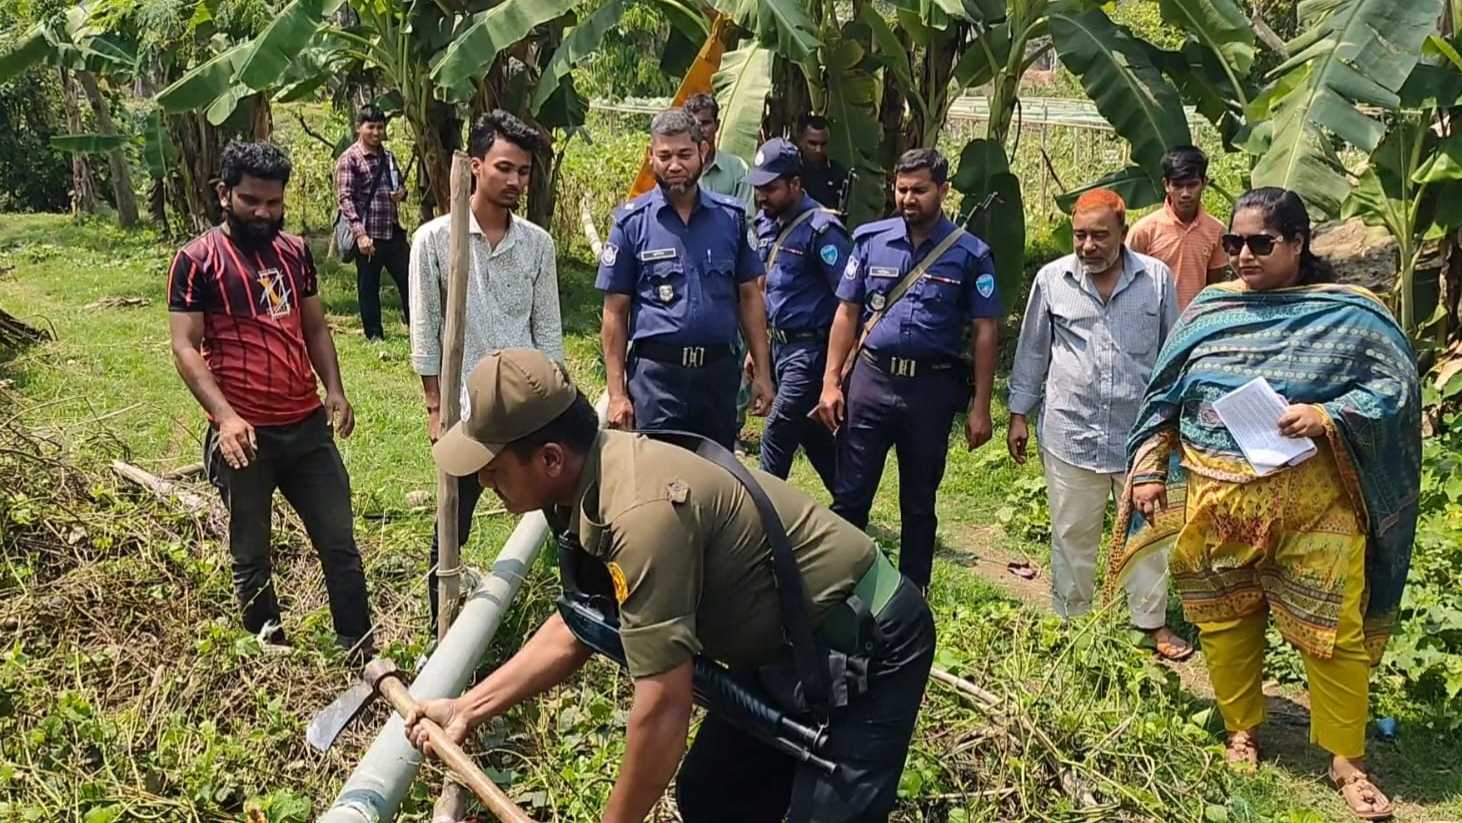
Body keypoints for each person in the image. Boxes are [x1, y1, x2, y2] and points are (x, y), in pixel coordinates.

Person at [404, 348, 936, 823]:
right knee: (713, 796)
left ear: (549, 458)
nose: (483, 482)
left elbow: (662, 710)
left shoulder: (640, 514)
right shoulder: (584, 489)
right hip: (789, 646)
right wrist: (467, 708)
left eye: (493, 469)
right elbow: (583, 626)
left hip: (865, 641)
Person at [1112, 188, 1420, 820]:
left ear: (1299, 243)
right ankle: (1242, 729)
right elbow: (1164, 396)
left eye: (1260, 244)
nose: (1244, 256)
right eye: (1235, 244)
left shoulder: (1351, 315)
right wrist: (1147, 468)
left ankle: (1346, 761)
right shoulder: (1211, 312)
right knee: (1225, 625)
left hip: (1319, 512)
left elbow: (1395, 391)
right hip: (1217, 509)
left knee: (1334, 635)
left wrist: (1330, 414)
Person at [168, 141, 372, 654]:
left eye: (273, 204)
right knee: (251, 551)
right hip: (245, 436)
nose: (263, 214)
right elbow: (185, 346)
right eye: (251, 201)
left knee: (340, 544)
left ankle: (359, 644)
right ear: (223, 194)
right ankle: (269, 647)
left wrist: (336, 390)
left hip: (306, 428)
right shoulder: (196, 261)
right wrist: (225, 418)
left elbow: (315, 328)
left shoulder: (295, 252)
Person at [1006, 188, 1192, 660]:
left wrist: (1177, 422)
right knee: (1072, 533)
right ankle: (1071, 625)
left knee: (1148, 534)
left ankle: (1148, 625)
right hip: (1072, 432)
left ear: (1123, 233)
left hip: (1140, 437)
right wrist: (1018, 414)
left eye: (1099, 236)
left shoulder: (1156, 280)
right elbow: (1032, 350)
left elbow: (1174, 352)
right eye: (1080, 235)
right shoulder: (1053, 280)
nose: (1087, 246)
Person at [814, 148, 1001, 592]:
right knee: (851, 493)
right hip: (872, 383)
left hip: (930, 391)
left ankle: (912, 594)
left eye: (920, 190)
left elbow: (986, 331)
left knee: (919, 502)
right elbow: (846, 312)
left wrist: (981, 406)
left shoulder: (970, 254)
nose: (908, 198)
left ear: (943, 190)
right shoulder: (871, 240)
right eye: (902, 189)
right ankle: (839, 585)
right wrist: (830, 381)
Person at [409, 109, 564, 629]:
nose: (516, 181)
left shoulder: (538, 245)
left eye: (524, 171)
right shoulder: (434, 241)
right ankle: (442, 625)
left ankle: (573, 611)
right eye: (504, 168)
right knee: (453, 517)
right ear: (475, 167)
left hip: (527, 409)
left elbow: (549, 335)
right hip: (467, 414)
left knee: (560, 513)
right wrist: (436, 411)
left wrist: (557, 407)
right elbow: (426, 336)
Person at [597, 108, 773, 450]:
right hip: (656, 379)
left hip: (717, 376)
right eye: (664, 156)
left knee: (718, 482)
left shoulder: (731, 219)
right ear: (651, 157)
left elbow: (750, 298)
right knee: (659, 484)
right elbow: (615, 312)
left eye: (684, 155)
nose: (674, 165)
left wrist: (763, 374)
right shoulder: (631, 224)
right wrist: (617, 393)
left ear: (703, 154)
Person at [744, 137, 849, 491]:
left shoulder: (823, 230)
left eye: (770, 188)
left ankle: (762, 516)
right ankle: (850, 504)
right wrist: (755, 351)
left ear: (794, 184)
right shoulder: (766, 223)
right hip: (778, 347)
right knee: (811, 432)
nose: (762, 196)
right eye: (758, 188)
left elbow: (848, 301)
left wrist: (837, 372)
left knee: (777, 429)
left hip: (810, 350)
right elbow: (762, 288)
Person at [335, 105, 411, 340]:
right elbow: (345, 199)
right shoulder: (350, 159)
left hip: (392, 231)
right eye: (371, 127)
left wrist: (401, 193)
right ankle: (374, 335)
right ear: (359, 128)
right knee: (369, 286)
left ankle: (418, 330)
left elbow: (400, 186)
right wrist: (360, 234)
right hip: (368, 233)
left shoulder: (388, 157)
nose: (376, 132)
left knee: (410, 281)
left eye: (380, 127)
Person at [1127, 145, 1228, 310]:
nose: (1185, 193)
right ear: (1166, 185)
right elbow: (1128, 280)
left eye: (1192, 185)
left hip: (1195, 325)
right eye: (1178, 185)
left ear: (1204, 183)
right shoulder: (1145, 231)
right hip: (1153, 323)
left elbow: (1214, 286)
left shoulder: (1216, 231)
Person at [684, 92, 752, 207]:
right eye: (694, 124)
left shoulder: (738, 168)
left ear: (717, 125)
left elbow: (745, 216)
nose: (700, 129)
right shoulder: (680, 170)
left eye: (705, 123)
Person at [796, 115, 849, 211]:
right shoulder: (791, 171)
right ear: (801, 141)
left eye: (823, 144)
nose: (818, 150)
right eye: (813, 143)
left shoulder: (838, 173)